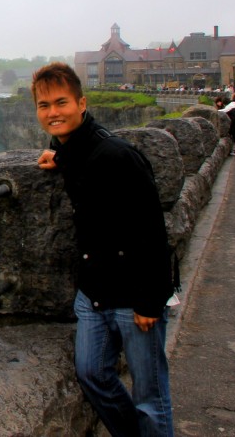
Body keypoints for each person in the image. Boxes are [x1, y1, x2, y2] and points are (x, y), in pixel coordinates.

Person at [32, 62, 174, 436]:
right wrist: (57, 156)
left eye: (61, 103)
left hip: (132, 297)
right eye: (44, 106)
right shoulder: (73, 149)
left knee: (151, 397)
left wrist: (150, 300)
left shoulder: (117, 155)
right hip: (92, 293)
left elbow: (153, 231)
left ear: (82, 103)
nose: (53, 113)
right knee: (92, 374)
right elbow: (72, 151)